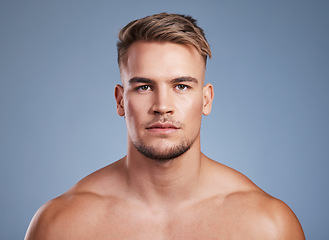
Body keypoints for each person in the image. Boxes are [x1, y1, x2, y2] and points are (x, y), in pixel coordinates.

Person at [25, 12, 305, 239]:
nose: (162, 105)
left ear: (206, 100)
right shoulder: (60, 226)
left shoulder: (268, 226)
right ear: (121, 101)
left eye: (181, 86)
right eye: (144, 86)